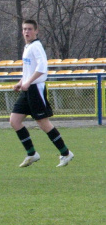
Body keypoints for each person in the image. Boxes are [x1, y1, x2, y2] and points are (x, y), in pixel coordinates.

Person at [10, 19, 73, 167]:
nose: (26, 32)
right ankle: (32, 154)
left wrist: (28, 82)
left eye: (30, 29)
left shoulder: (36, 46)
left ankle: (66, 153)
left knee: (43, 123)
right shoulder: (28, 47)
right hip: (27, 89)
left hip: (35, 89)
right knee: (14, 121)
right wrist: (21, 82)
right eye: (24, 29)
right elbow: (29, 69)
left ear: (36, 31)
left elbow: (42, 68)